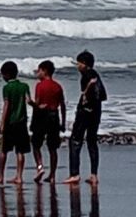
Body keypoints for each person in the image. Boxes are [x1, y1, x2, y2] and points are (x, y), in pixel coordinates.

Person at [63, 50, 107, 186]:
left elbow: (86, 95)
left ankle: (74, 174)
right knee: (92, 141)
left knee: (75, 141)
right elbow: (103, 96)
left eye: (79, 63)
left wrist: (86, 92)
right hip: (96, 112)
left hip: (86, 112)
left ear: (85, 64)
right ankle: (94, 175)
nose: (77, 66)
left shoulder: (86, 76)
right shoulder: (95, 75)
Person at [30, 60, 66, 184]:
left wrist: (31, 103)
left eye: (39, 70)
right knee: (52, 148)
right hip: (54, 116)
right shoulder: (57, 86)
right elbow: (62, 105)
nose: (37, 73)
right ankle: (52, 175)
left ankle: (40, 166)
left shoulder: (40, 86)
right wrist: (63, 122)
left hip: (41, 116)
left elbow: (38, 103)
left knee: (36, 144)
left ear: (44, 71)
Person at [0, 61, 31, 185]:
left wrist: (2, 123)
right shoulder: (24, 86)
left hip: (10, 122)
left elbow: (6, 105)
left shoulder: (7, 88)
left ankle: (0, 175)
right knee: (20, 151)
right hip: (22, 122)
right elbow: (29, 100)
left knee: (4, 150)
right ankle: (19, 176)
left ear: (6, 74)